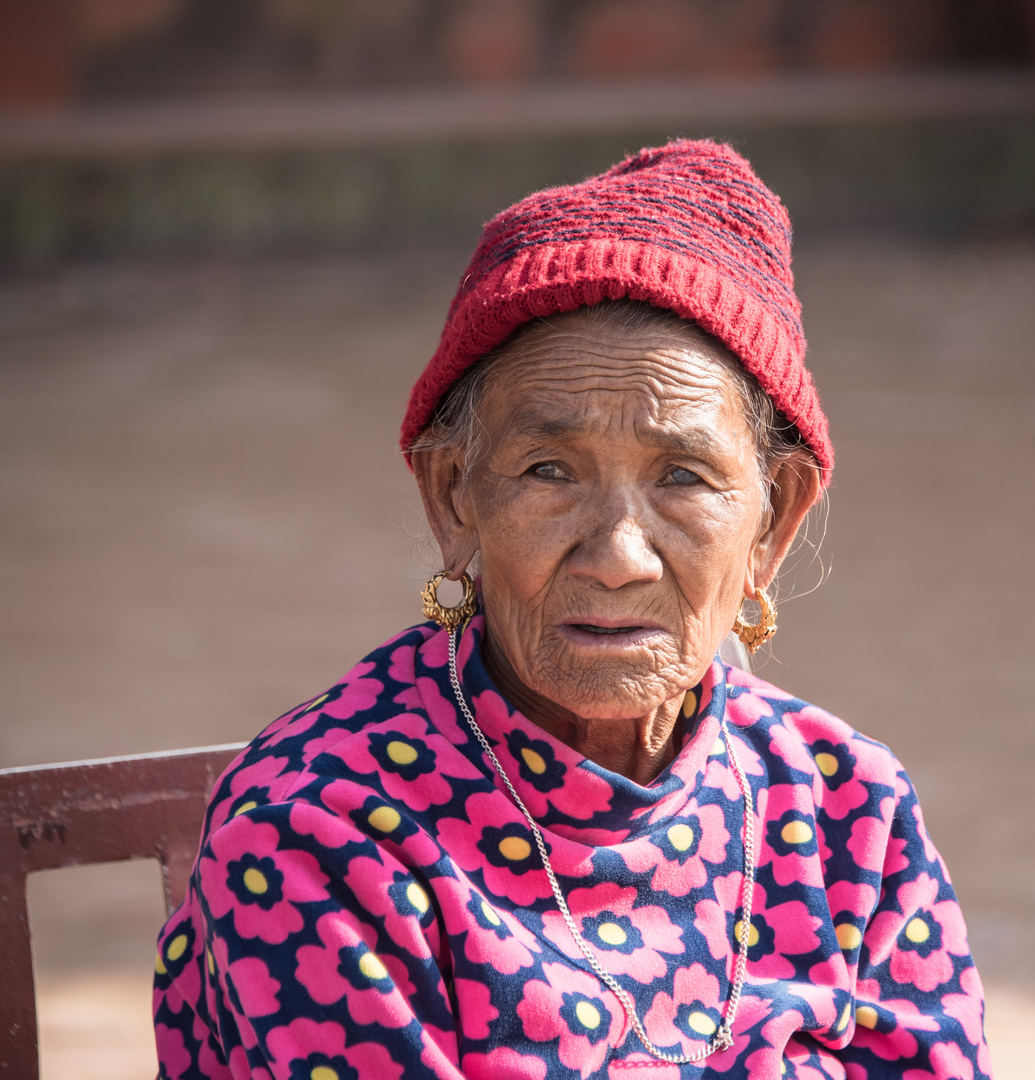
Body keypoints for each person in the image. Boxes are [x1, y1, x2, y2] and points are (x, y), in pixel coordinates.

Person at [153, 140, 990, 1080]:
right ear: (453, 496)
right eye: (549, 472)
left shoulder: (845, 804)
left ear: (773, 524)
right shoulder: (319, 831)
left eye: (685, 477)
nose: (619, 558)